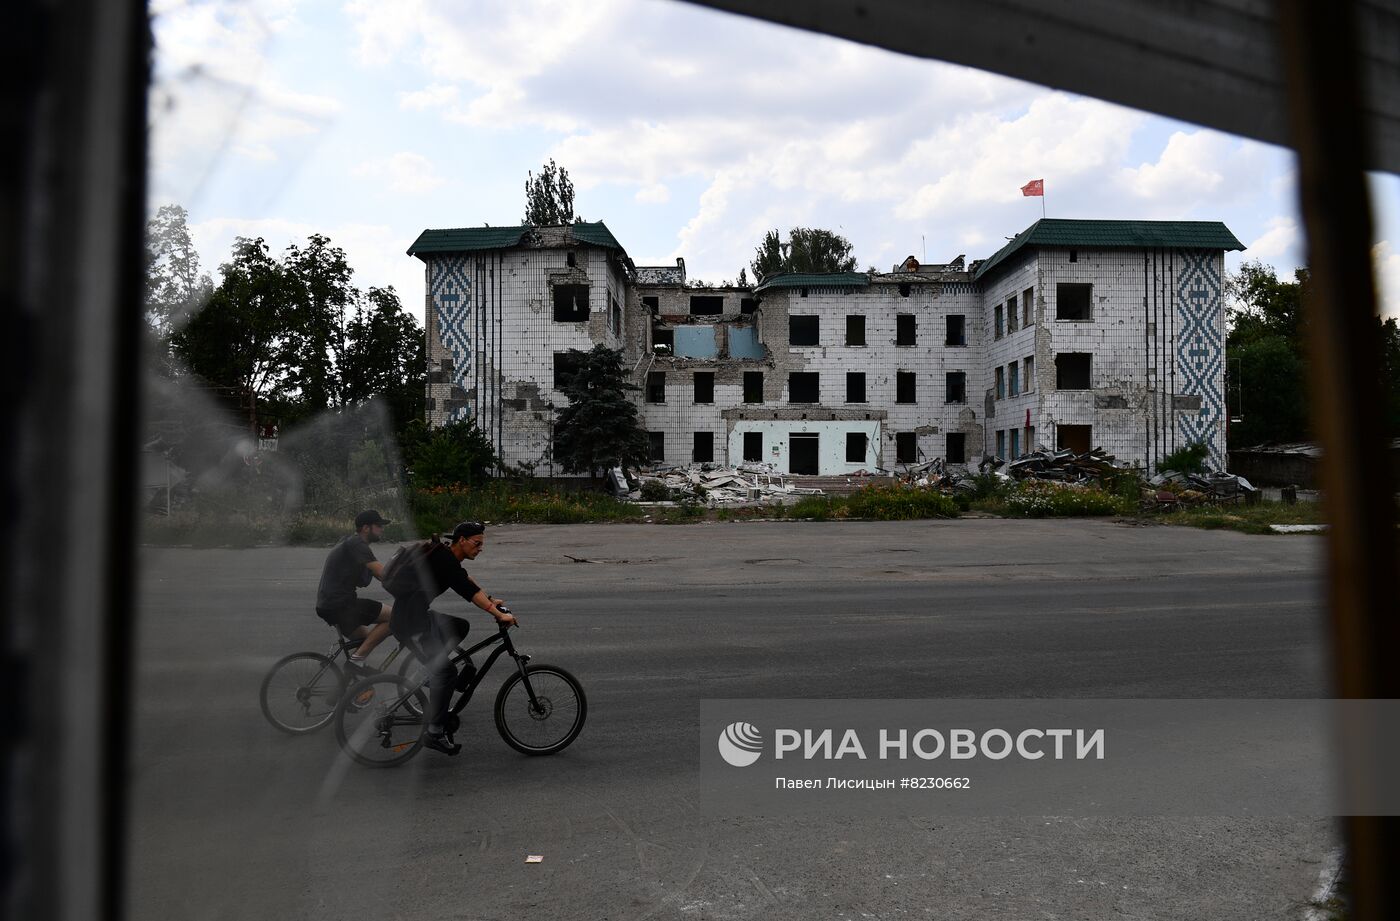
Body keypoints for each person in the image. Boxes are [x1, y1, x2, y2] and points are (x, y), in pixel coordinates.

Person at [385, 520, 515, 756]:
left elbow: (466, 581)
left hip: (419, 617)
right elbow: (468, 591)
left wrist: (491, 599)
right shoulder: (444, 559)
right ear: (462, 541)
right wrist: (497, 614)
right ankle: (434, 732)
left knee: (459, 626)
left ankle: (427, 673)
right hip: (410, 625)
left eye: (481, 544)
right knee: (447, 673)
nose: (480, 548)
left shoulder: (446, 556)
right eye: (476, 543)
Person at [315, 510, 394, 675]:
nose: (382, 529)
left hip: (327, 605)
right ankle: (355, 664)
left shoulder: (350, 543)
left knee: (367, 641)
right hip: (341, 604)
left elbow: (372, 577)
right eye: (379, 526)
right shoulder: (358, 545)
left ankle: (342, 690)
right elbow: (382, 573)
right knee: (393, 617)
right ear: (366, 528)